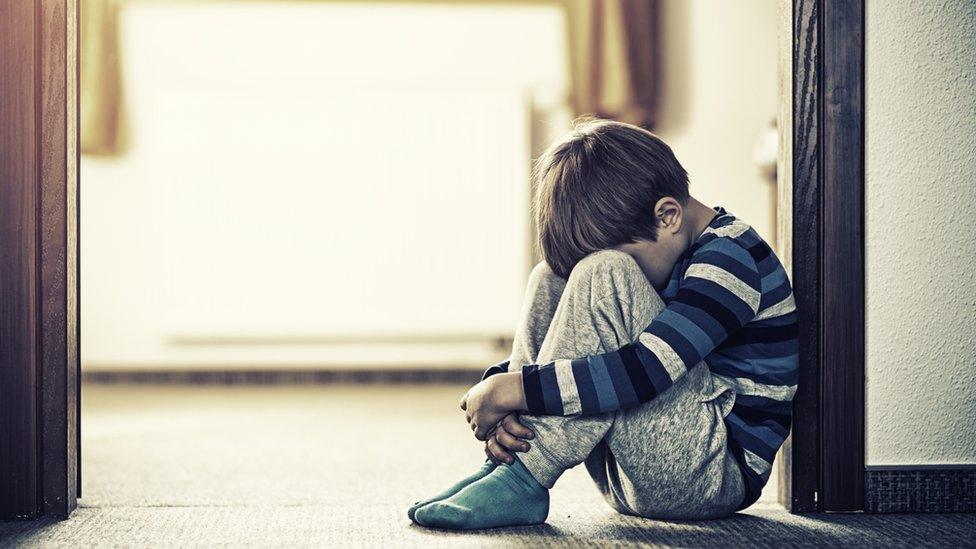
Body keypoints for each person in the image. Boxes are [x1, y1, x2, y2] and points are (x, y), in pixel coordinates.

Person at [408, 118, 798, 530]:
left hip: (710, 474)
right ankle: (511, 457)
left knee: (604, 271)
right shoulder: (672, 243)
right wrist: (510, 389)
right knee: (551, 275)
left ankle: (525, 477)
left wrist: (515, 388)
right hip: (630, 466)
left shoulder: (730, 260)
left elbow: (646, 370)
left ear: (667, 216)